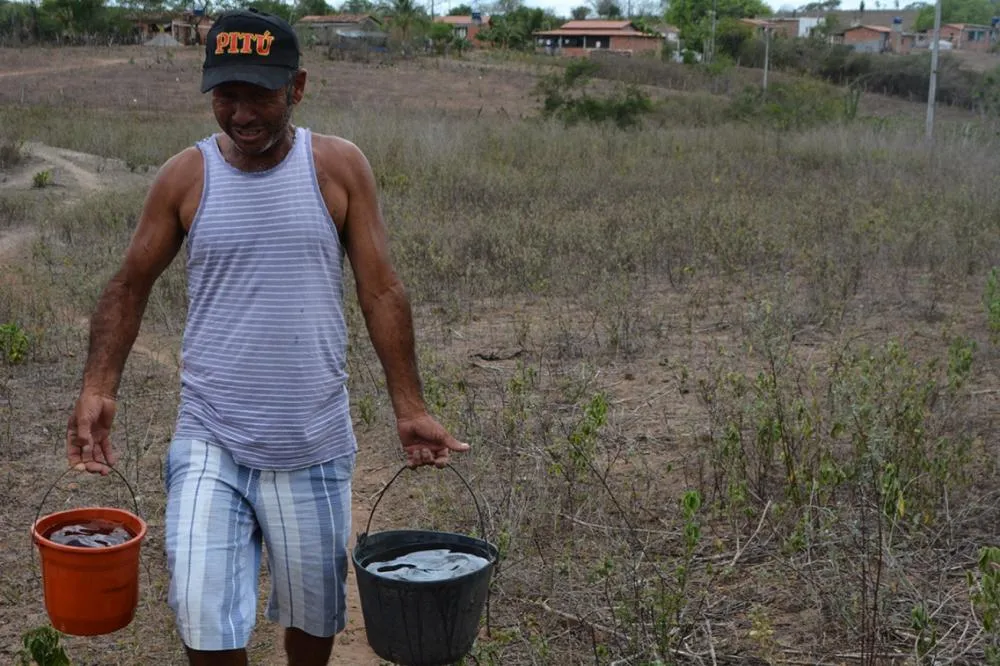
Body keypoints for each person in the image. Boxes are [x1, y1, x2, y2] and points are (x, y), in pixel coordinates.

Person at [64, 8, 470, 666]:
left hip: (312, 441)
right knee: (202, 614)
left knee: (314, 618)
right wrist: (97, 386)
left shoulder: (337, 169)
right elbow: (127, 285)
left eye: (259, 94)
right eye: (226, 95)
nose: (241, 113)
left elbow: (381, 290)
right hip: (210, 437)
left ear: (298, 87)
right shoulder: (186, 177)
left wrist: (410, 406)